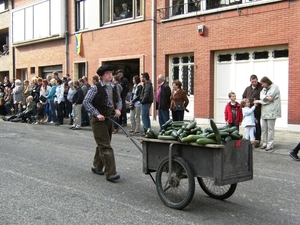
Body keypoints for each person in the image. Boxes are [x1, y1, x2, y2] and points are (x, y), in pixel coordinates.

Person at [83, 65, 122, 182]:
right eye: (107, 73)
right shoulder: (95, 88)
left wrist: (118, 109)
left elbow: (119, 100)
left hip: (109, 118)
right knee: (105, 146)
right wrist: (96, 113)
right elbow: (86, 102)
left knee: (104, 142)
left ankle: (97, 166)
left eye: (111, 73)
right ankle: (111, 173)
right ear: (101, 76)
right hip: (98, 120)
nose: (110, 75)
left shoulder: (115, 87)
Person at [254, 76, 281, 151]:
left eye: (263, 84)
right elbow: (262, 95)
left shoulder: (275, 87)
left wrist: (261, 100)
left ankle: (270, 144)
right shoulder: (264, 89)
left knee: (270, 129)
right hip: (264, 111)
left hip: (272, 111)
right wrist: (265, 97)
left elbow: (270, 99)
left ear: (266, 82)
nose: (262, 85)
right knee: (264, 128)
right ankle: (264, 143)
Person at [242, 75, 263, 147]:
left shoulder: (261, 88)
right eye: (252, 82)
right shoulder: (248, 88)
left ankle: (257, 140)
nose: (254, 83)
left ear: (257, 80)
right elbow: (243, 97)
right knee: (249, 127)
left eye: (255, 81)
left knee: (257, 125)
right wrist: (246, 104)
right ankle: (250, 140)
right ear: (250, 81)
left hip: (257, 110)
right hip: (248, 110)